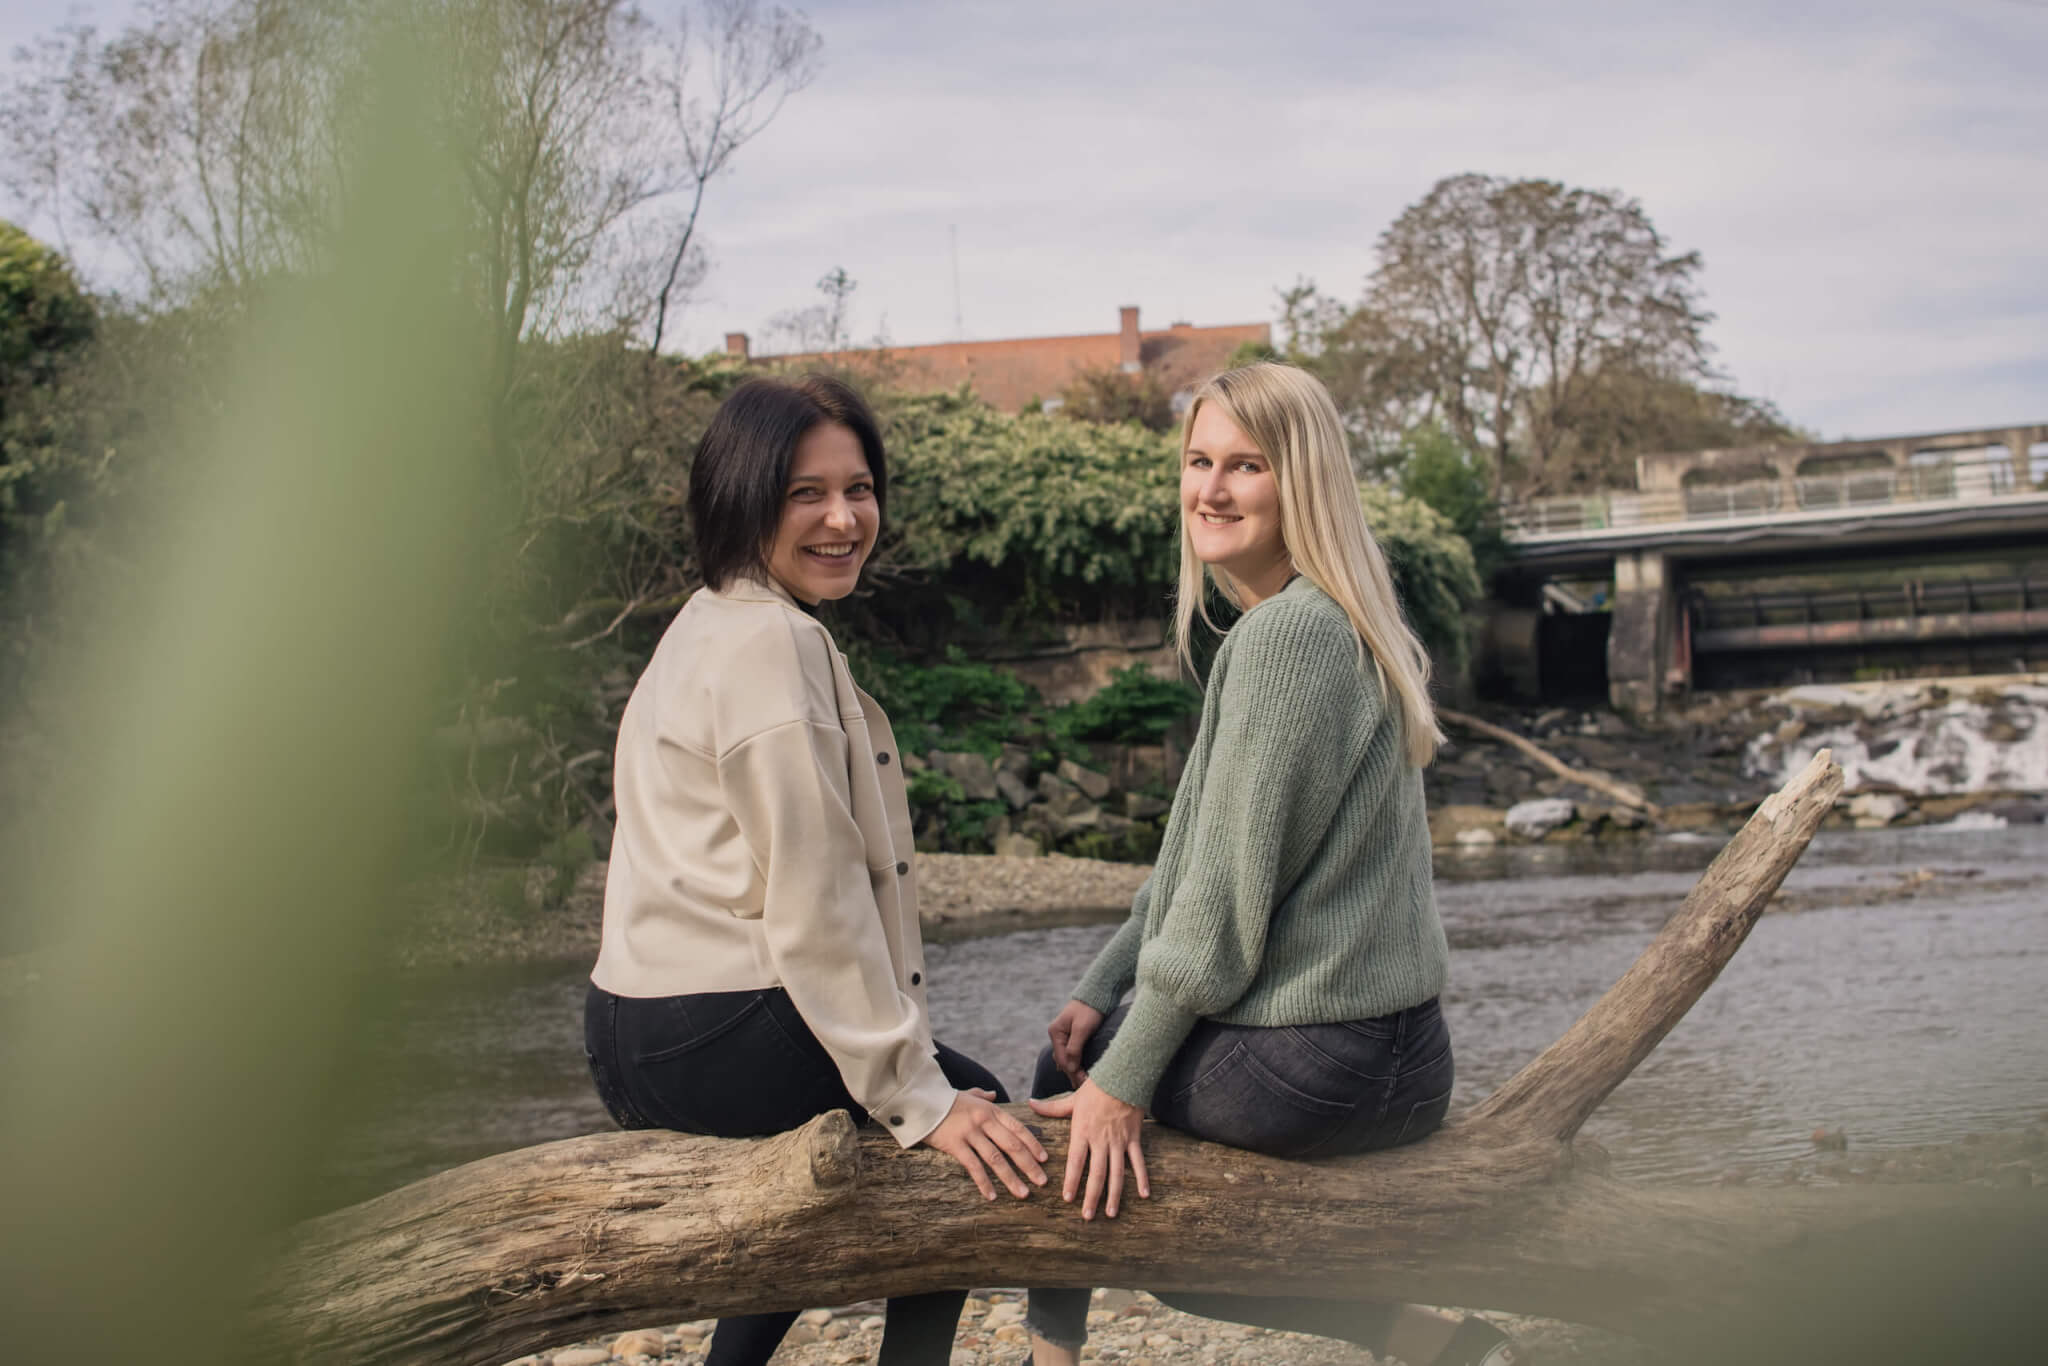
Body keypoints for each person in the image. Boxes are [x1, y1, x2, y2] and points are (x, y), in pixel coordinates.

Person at [1023, 363, 1522, 1366]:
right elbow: (1190, 863)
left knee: (1068, 1087)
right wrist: (1100, 983)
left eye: (1244, 465)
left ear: (1301, 484)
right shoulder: (1308, 622)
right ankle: (1439, 1346)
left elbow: (1213, 908)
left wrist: (1120, 1082)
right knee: (1117, 1139)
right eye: (1199, 461)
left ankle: (1048, 1358)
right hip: (1391, 1052)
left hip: (1329, 1059)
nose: (1210, 488)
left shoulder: (1289, 637)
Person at [584, 375, 1048, 1366]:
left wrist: (896, 1085)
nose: (843, 518)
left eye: (859, 487)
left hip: (633, 1024)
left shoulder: (709, 620)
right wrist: (916, 1096)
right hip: (708, 1020)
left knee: (848, 1148)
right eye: (806, 493)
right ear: (742, 494)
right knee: (978, 1122)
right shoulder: (768, 643)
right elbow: (815, 894)